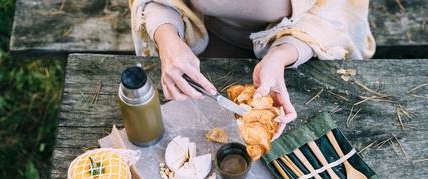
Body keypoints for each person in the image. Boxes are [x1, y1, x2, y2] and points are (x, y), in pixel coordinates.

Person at [129, 0, 375, 139]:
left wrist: (282, 54)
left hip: (300, 53)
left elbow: (335, 14)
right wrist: (167, 38)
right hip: (198, 46)